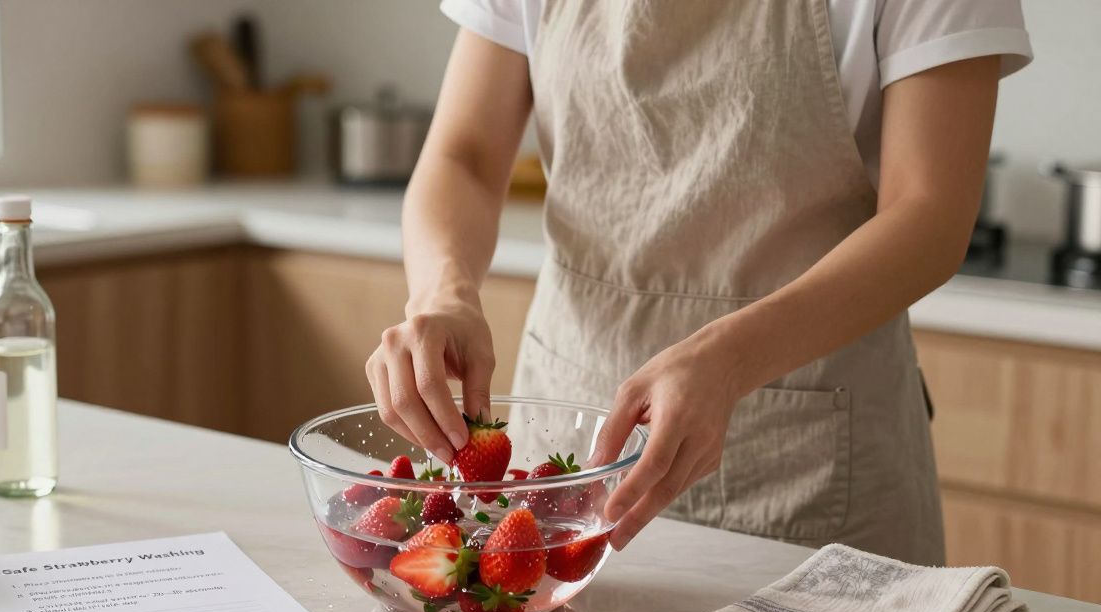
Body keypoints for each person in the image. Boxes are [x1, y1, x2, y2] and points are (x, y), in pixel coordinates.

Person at [364, 0, 1032, 564]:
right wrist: (443, 292)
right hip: (567, 444)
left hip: (812, 469)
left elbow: (931, 217)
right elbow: (466, 156)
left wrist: (733, 357)